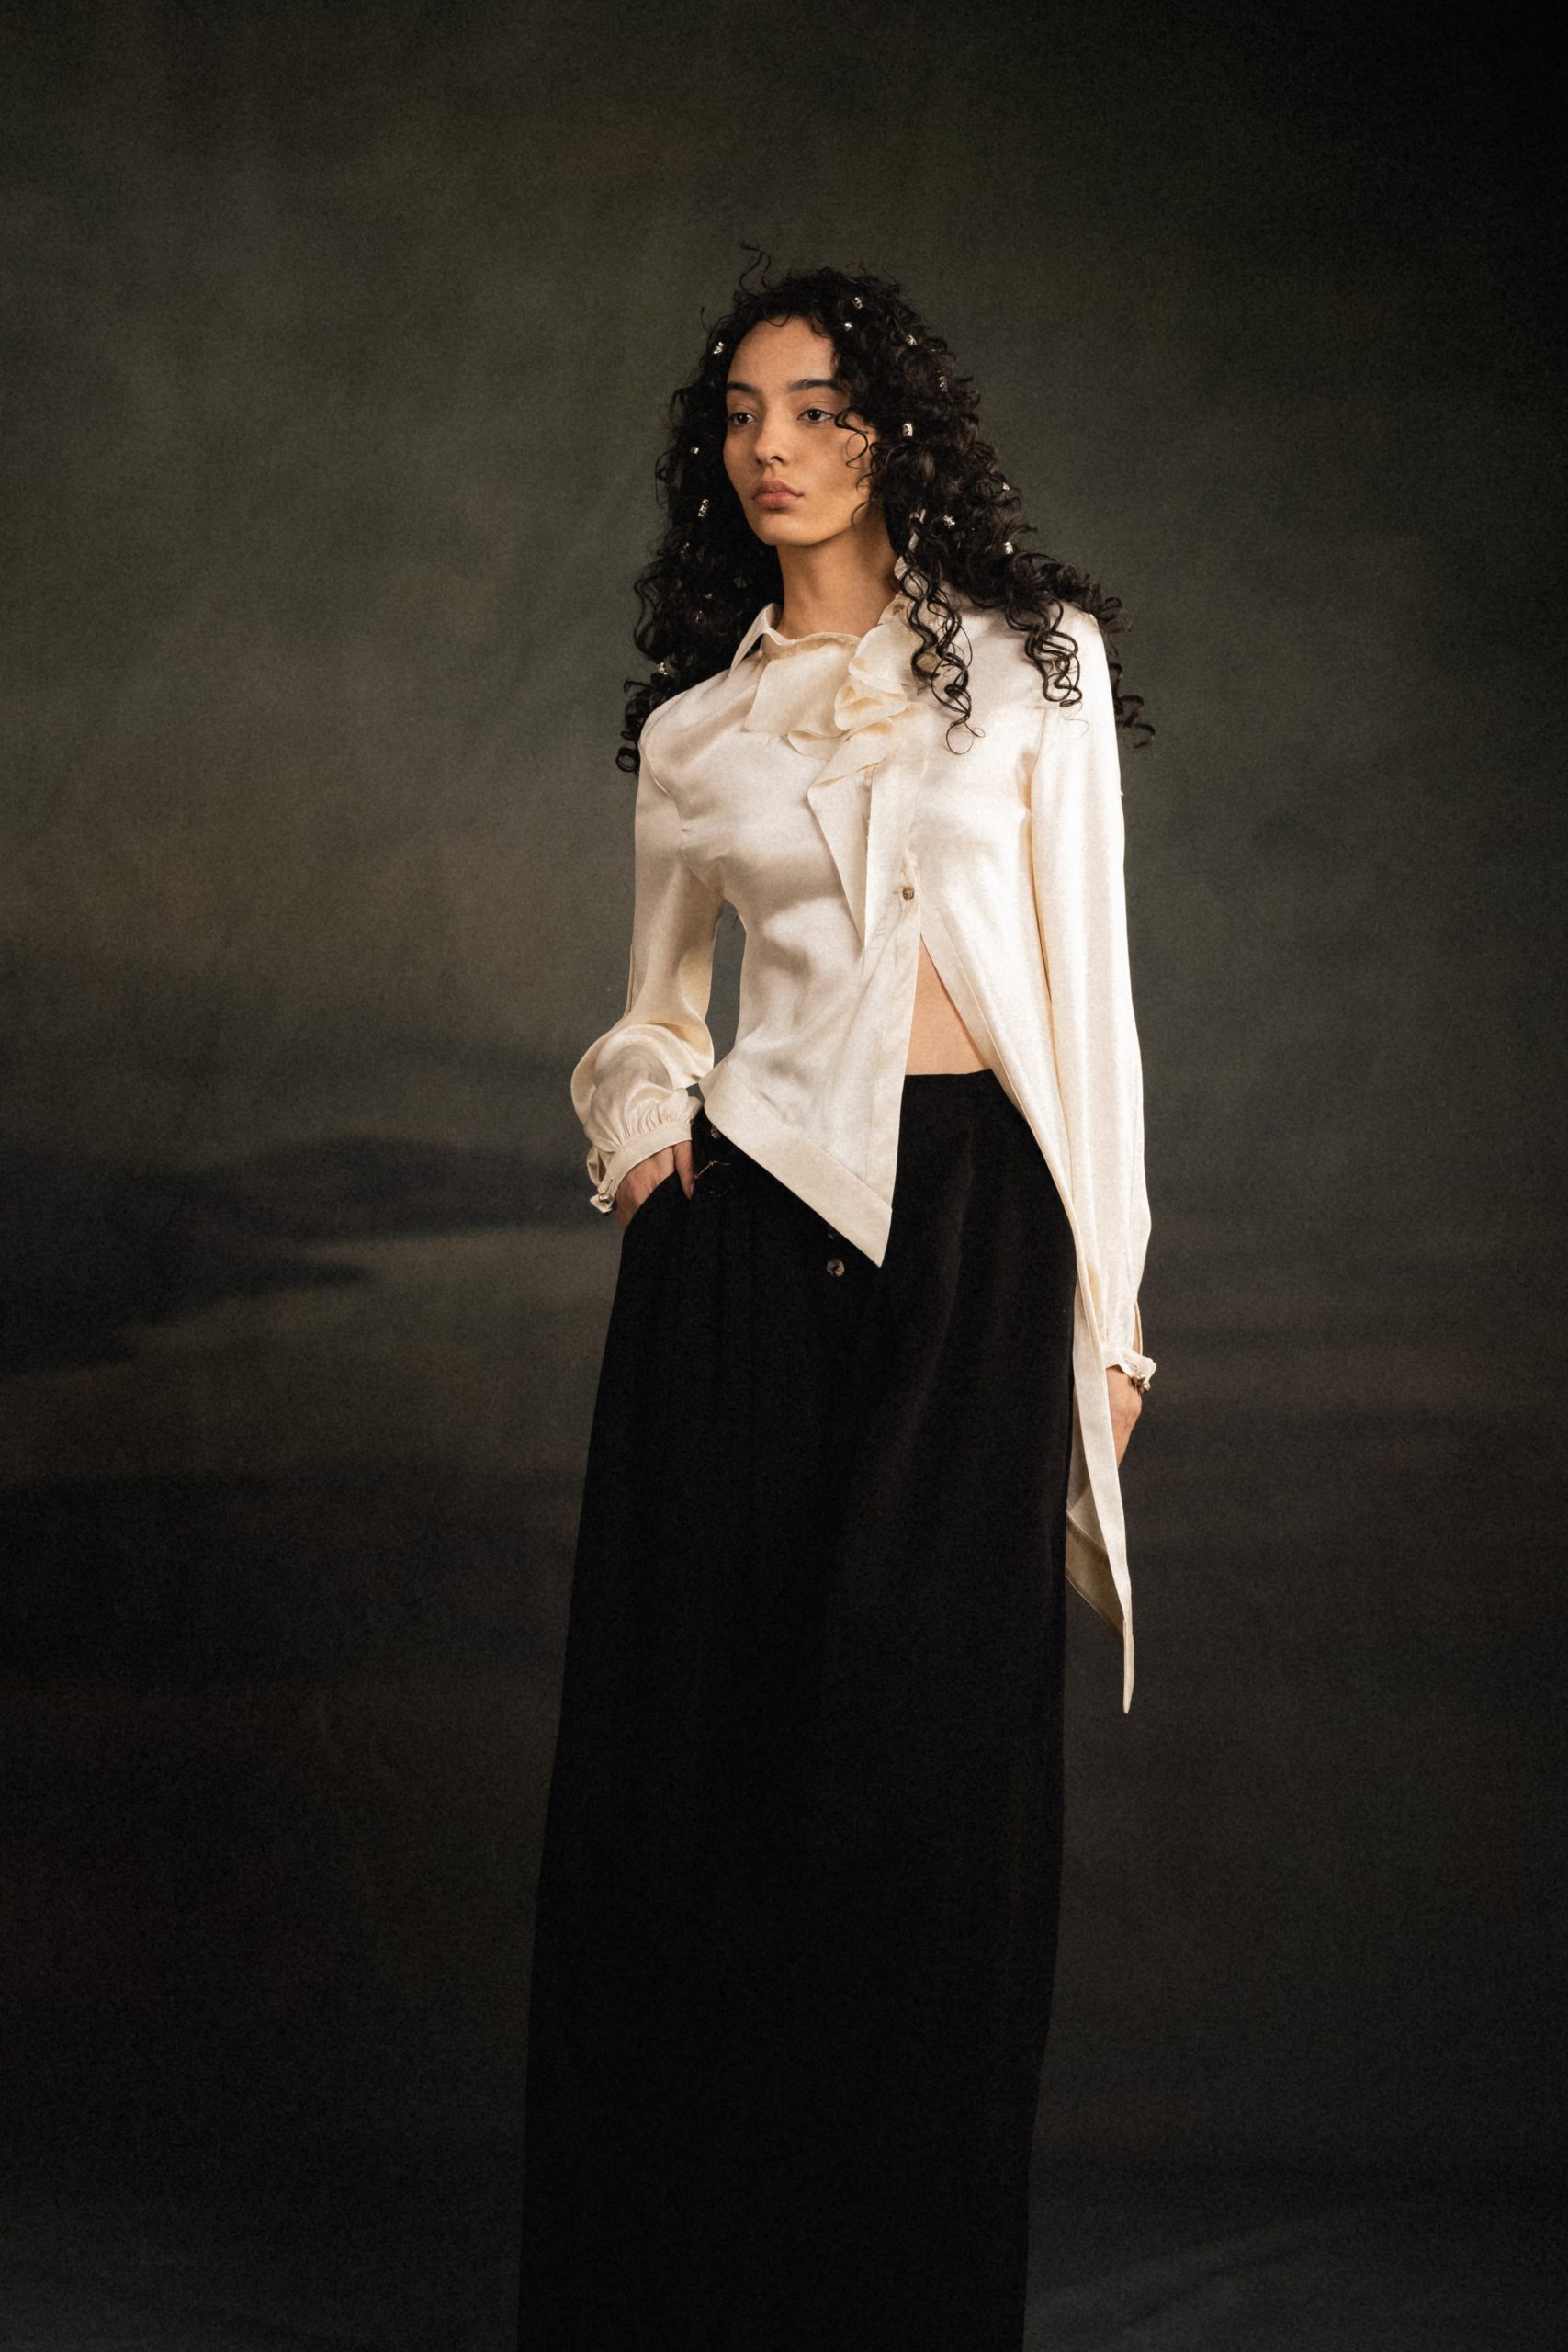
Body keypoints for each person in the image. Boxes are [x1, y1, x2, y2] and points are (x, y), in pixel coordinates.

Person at [516, 256, 1155, 2352]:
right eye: (740, 415)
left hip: (982, 1239)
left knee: (928, 1782)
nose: (771, 447)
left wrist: (1113, 1324)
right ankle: (702, 2292)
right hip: (749, 1251)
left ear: (890, 429)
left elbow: (1093, 1012)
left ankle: (904, 2300)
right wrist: (644, 1141)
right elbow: (650, 1012)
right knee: (720, 1773)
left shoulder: (1033, 669)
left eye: (816, 407)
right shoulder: (695, 734)